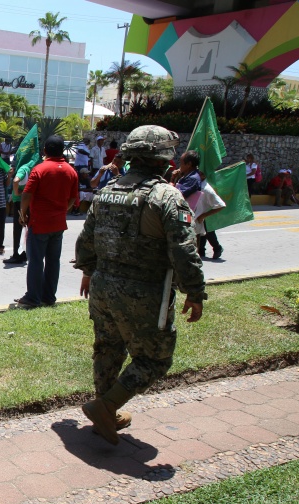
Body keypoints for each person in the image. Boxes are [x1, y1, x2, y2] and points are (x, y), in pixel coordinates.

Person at [74, 124, 206, 446]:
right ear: (164, 160)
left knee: (108, 347)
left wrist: (89, 272)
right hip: (144, 293)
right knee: (156, 359)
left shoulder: (107, 192)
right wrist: (195, 292)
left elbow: (84, 241)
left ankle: (107, 410)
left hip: (103, 286)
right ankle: (106, 407)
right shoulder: (167, 196)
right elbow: (184, 251)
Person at [15, 136, 78, 308]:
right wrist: (63, 210)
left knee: (35, 260)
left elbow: (26, 194)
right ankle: (49, 296)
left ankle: (33, 297)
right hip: (58, 223)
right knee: (53, 261)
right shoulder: (71, 171)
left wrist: (23, 214)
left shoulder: (40, 169)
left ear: (45, 151)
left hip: (39, 222)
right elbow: (73, 198)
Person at [2, 157, 36, 265]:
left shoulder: (23, 168)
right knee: (28, 230)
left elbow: (16, 180)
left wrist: (16, 192)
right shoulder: (34, 165)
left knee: (18, 230)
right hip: (31, 202)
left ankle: (17, 255)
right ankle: (25, 254)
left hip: (20, 202)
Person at [194, 174, 226, 259]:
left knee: (208, 232)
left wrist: (204, 215)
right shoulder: (194, 185)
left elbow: (221, 205)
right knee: (201, 233)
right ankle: (201, 252)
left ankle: (217, 248)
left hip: (205, 214)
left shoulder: (206, 189)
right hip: (197, 216)